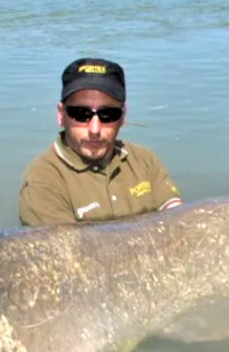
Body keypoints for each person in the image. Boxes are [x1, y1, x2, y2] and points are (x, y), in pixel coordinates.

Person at [18, 58, 183, 226]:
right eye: (80, 114)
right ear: (61, 115)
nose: (94, 129)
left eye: (108, 115)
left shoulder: (145, 161)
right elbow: (66, 251)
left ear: (122, 117)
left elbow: (180, 222)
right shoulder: (43, 180)